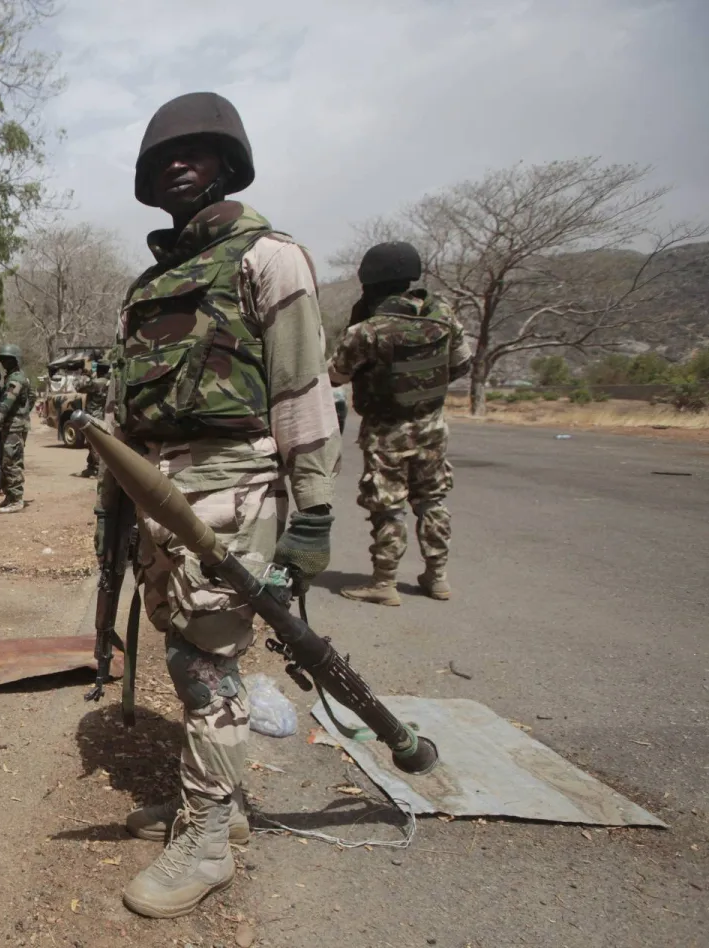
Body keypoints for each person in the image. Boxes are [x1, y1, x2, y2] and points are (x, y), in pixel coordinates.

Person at [109, 92, 340, 919]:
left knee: (209, 669)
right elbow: (129, 412)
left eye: (198, 151)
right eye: (163, 155)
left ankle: (208, 841)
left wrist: (310, 516)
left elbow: (303, 391)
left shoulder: (269, 258)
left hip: (232, 486)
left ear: (228, 163)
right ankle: (216, 808)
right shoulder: (150, 283)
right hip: (158, 493)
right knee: (186, 654)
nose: (178, 163)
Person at [328, 240, 472, 606]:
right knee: (432, 500)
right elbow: (460, 365)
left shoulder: (369, 330)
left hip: (386, 431)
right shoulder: (445, 316)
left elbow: (336, 375)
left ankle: (384, 582)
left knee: (388, 506)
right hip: (432, 427)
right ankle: (437, 578)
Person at [0, 345, 34, 513]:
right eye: (2, 359)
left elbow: (4, 405)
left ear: (15, 360)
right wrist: (24, 412)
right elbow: (32, 397)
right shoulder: (17, 377)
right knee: (5, 460)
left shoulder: (15, 379)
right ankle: (9, 496)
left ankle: (16, 499)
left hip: (14, 427)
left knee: (11, 462)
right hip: (12, 425)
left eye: (7, 359)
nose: (4, 362)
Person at [74, 358, 111, 478]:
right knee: (92, 444)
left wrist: (84, 374)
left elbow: (78, 387)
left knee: (95, 444)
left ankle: (98, 470)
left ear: (99, 369)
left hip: (95, 416)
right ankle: (91, 468)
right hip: (103, 416)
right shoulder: (108, 382)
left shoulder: (97, 383)